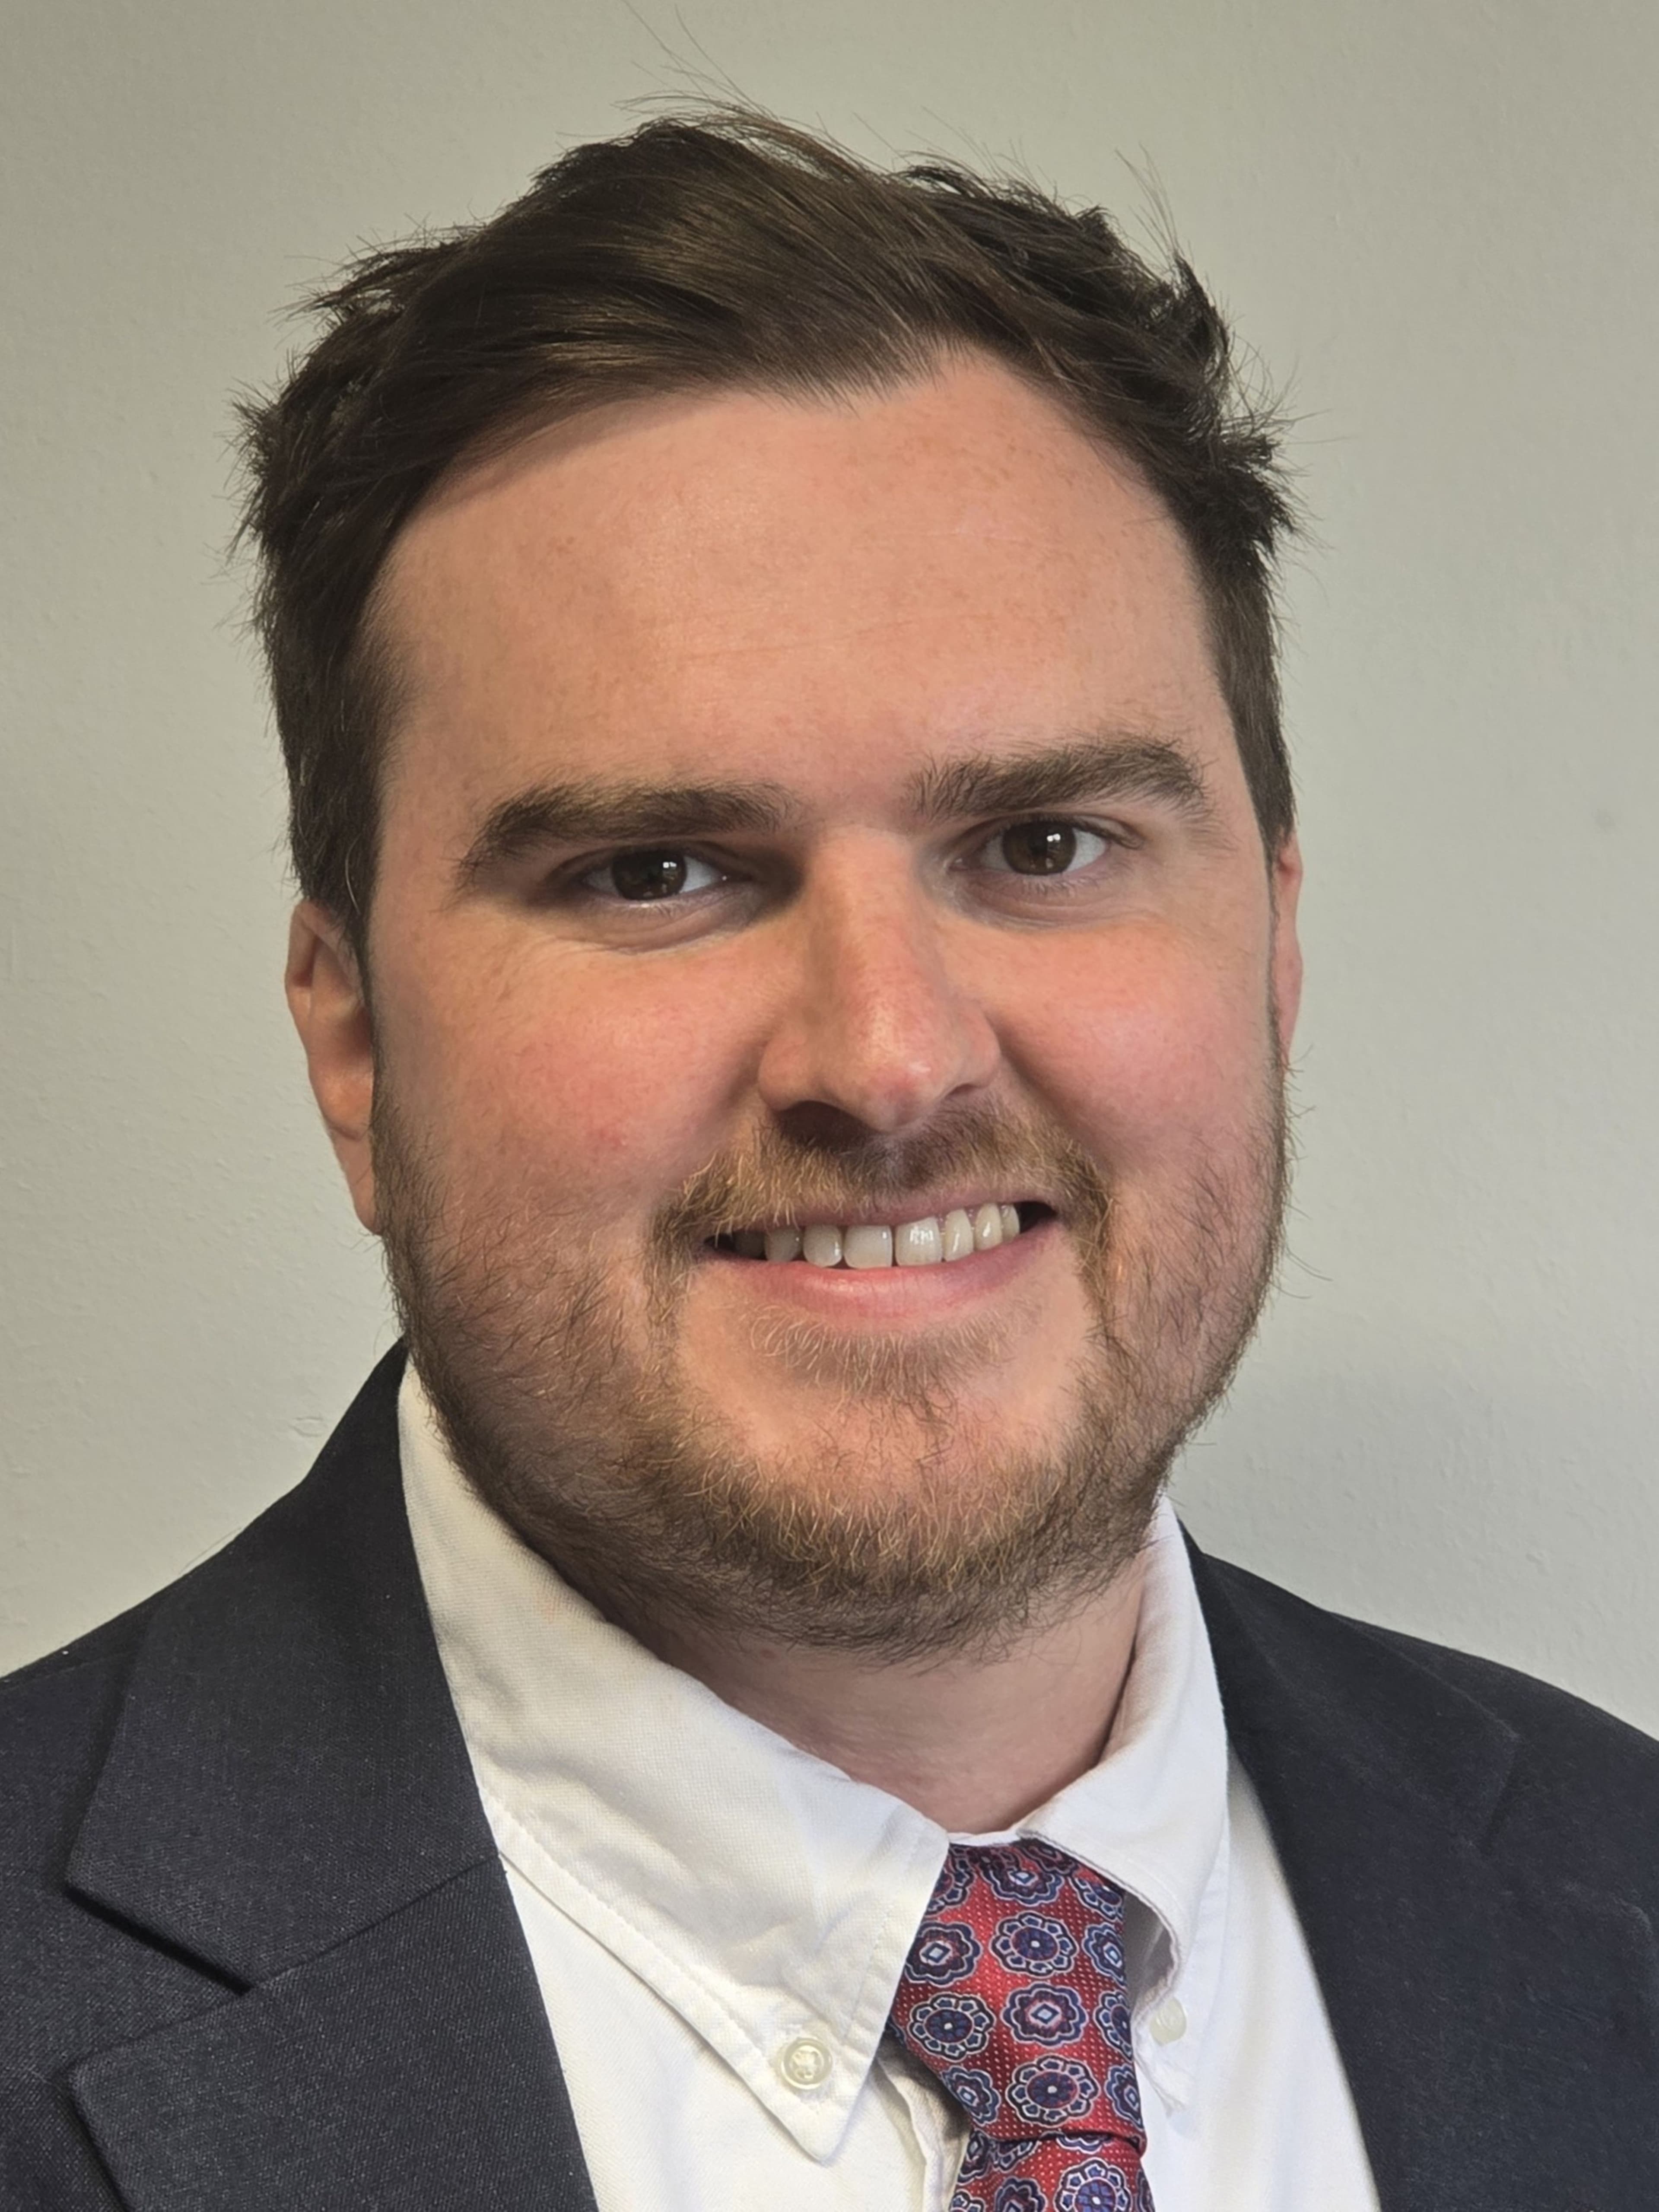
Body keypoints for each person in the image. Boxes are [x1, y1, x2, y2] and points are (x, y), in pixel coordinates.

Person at [3, 108, 1656, 2212]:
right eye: (658, 869)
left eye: (1044, 844)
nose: (889, 1059)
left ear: (1275, 942)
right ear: (351, 1038)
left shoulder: (1622, 1893)